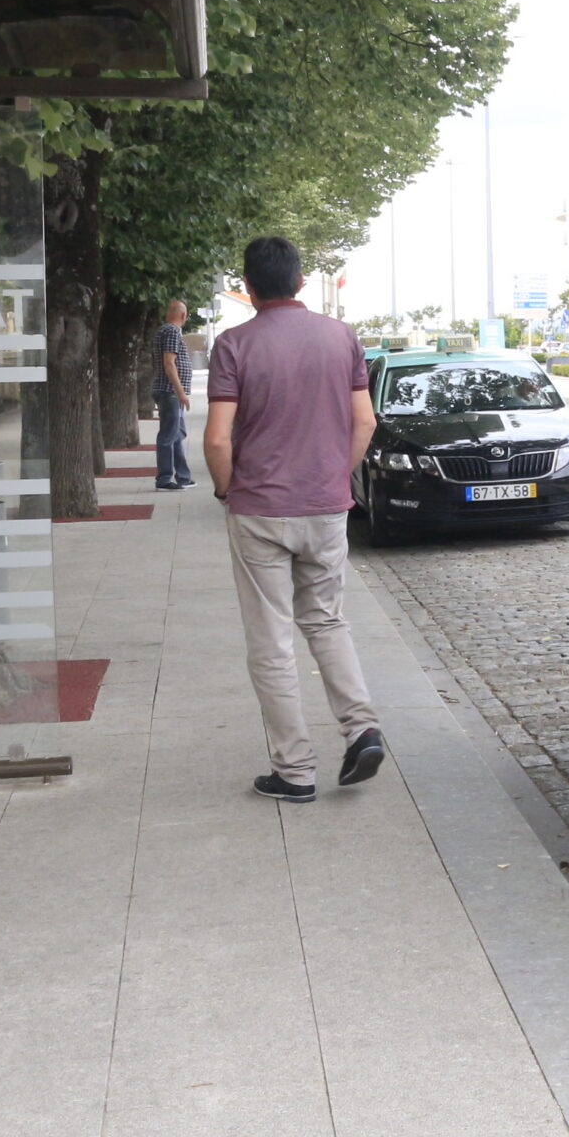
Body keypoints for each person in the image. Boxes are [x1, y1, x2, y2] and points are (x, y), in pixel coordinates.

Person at [203, 237, 386, 804]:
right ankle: (362, 728)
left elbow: (217, 438)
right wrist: (333, 477)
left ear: (248, 287)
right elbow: (365, 423)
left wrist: (226, 488)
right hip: (326, 508)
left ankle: (295, 770)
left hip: (260, 510)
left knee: (271, 640)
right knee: (327, 621)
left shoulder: (233, 345)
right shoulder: (342, 336)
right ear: (301, 281)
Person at [152, 298, 195, 489]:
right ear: (183, 315)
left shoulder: (166, 330)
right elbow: (169, 363)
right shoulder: (171, 331)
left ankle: (183, 477)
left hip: (170, 391)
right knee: (169, 435)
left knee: (177, 434)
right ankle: (164, 479)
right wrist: (181, 392)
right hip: (170, 391)